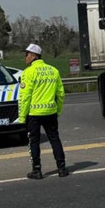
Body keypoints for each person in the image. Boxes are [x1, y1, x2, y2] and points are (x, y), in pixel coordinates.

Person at [18, 43, 68, 179]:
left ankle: (36, 170)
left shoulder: (28, 73)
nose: (25, 57)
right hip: (51, 112)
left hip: (34, 114)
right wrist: (57, 110)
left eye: (27, 54)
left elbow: (24, 97)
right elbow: (61, 94)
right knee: (55, 139)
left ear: (34, 55)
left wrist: (22, 117)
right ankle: (62, 168)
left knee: (34, 141)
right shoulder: (54, 70)